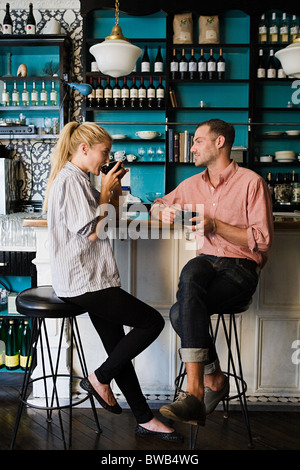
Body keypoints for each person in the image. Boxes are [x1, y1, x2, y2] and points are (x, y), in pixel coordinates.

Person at [43, 121, 182, 442]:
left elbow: (109, 220)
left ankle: (145, 418)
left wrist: (114, 193)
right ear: (83, 149)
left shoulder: (81, 179)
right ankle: (99, 378)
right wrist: (105, 191)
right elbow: (92, 231)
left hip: (91, 278)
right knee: (151, 324)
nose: (106, 158)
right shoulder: (70, 181)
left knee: (117, 348)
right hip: (85, 281)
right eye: (103, 152)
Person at [151, 119, 273, 426]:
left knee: (181, 313)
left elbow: (262, 239)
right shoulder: (192, 184)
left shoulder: (251, 182)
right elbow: (157, 204)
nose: (191, 147)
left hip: (240, 267)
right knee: (190, 274)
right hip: (206, 262)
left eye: (197, 141)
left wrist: (215, 225)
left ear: (220, 143)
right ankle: (202, 387)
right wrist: (160, 210)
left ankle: (205, 387)